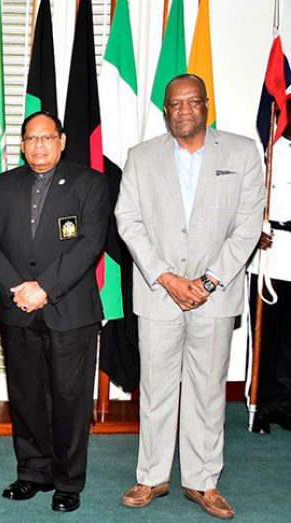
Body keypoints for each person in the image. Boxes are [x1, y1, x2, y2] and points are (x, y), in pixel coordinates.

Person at [116, 74, 265, 520]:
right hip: (159, 293)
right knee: (157, 388)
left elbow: (248, 225)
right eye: (174, 104)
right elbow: (128, 220)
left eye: (191, 102)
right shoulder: (141, 158)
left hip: (214, 296)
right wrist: (166, 277)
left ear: (205, 105)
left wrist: (209, 280)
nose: (183, 110)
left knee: (206, 390)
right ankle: (151, 476)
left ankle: (203, 481)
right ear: (165, 110)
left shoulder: (240, 153)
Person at [0, 111, 110, 513]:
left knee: (70, 399)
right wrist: (17, 290)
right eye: (30, 138)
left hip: (70, 310)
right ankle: (32, 473)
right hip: (17, 309)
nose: (38, 145)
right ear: (22, 144)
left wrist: (45, 288)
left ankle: (68, 480)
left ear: (61, 140)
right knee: (25, 398)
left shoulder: (90, 183)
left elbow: (89, 244)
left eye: (46, 137)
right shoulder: (1, 186)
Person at [250, 100, 291, 434]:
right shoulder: (265, 154)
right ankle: (260, 405)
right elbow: (244, 202)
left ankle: (285, 403)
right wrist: (253, 233)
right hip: (268, 255)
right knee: (266, 336)